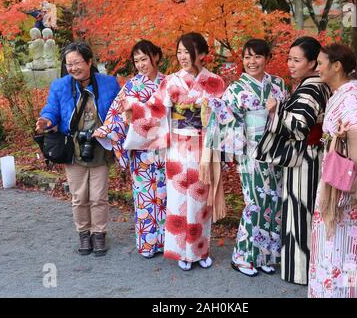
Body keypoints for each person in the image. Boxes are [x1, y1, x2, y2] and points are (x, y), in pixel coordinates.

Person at [130, 32, 226, 271]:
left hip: (203, 148)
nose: (182, 57)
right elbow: (154, 109)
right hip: (177, 147)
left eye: (188, 52)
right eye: (180, 52)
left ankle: (200, 249)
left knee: (200, 200)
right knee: (178, 200)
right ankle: (182, 251)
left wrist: (210, 109)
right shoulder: (171, 81)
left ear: (202, 54)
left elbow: (223, 117)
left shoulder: (215, 82)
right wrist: (132, 110)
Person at [205, 38, 288, 277]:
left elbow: (289, 114)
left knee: (274, 201)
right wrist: (217, 107)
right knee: (254, 202)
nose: (252, 62)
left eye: (258, 56)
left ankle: (265, 255)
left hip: (276, 148)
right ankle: (242, 257)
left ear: (267, 59)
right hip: (251, 150)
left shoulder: (278, 84)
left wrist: (277, 110)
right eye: (247, 57)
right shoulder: (236, 88)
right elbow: (228, 118)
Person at [254, 37, 331, 285]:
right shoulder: (317, 85)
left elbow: (299, 127)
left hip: (306, 158)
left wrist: (276, 111)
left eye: (296, 60)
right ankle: (307, 268)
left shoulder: (311, 87)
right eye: (289, 58)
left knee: (301, 213)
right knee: (304, 211)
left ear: (312, 62)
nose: (290, 64)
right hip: (312, 154)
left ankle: (301, 271)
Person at [307, 43, 357, 298]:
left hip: (344, 185)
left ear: (336, 66)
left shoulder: (351, 98)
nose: (317, 68)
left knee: (343, 248)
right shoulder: (341, 94)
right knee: (332, 245)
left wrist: (343, 138)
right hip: (336, 179)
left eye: (320, 63)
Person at [35, 42, 120, 257]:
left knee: (98, 196)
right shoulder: (60, 86)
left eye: (77, 63)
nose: (72, 68)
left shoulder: (109, 83)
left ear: (89, 62)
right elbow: (51, 110)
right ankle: (84, 233)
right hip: (73, 148)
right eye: (68, 64)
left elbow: (118, 112)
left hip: (99, 147)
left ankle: (99, 234)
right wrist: (45, 120)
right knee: (79, 196)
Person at [93, 40, 167, 259]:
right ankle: (147, 244)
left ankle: (167, 242)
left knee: (165, 196)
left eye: (144, 59)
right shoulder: (132, 86)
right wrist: (108, 129)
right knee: (145, 195)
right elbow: (116, 114)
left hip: (166, 148)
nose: (141, 64)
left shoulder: (169, 83)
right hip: (141, 151)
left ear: (156, 57)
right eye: (137, 61)